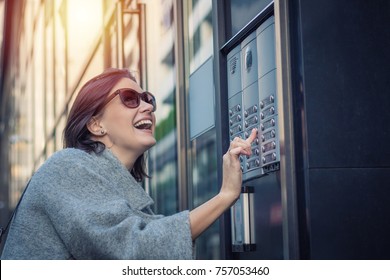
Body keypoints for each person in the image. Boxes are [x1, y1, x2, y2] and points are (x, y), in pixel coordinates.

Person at [1, 68, 257, 260]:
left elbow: (148, 237)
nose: (147, 106)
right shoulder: (67, 166)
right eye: (129, 98)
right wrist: (225, 196)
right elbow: (133, 248)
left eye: (148, 99)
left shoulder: (101, 179)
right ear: (95, 124)